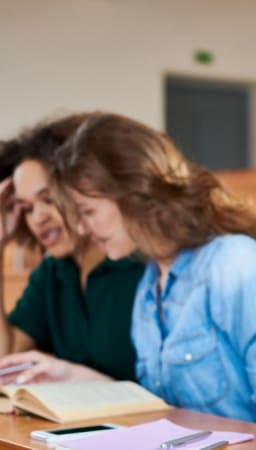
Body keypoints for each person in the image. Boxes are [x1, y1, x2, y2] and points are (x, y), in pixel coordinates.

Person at [23, 112, 256, 425]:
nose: (82, 229)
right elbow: (165, 411)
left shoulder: (232, 263)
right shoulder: (150, 284)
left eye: (88, 211)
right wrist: (75, 376)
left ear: (133, 192)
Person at [0, 114, 145, 384]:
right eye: (27, 208)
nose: (38, 218)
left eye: (48, 200)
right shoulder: (53, 271)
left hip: (146, 423)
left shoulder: (142, 265)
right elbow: (5, 358)